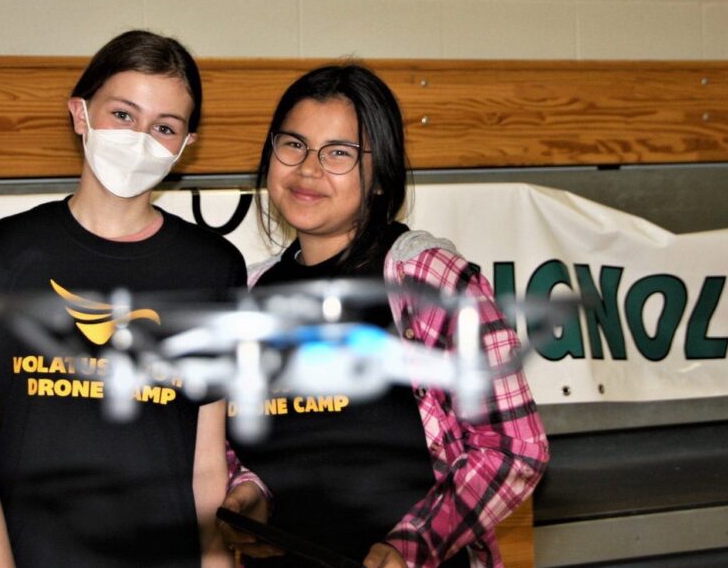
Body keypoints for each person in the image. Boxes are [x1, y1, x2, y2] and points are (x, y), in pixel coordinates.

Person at [0, 30, 245, 567]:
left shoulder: (215, 268)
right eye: (123, 115)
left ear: (185, 145)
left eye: (164, 127)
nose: (140, 139)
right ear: (80, 114)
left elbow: (206, 463)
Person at [218, 64, 549, 567]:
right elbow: (262, 449)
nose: (308, 168)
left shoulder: (431, 281)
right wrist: (250, 491)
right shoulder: (250, 293)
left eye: (338, 154)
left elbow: (513, 448)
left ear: (379, 176)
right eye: (293, 144)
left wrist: (413, 544)